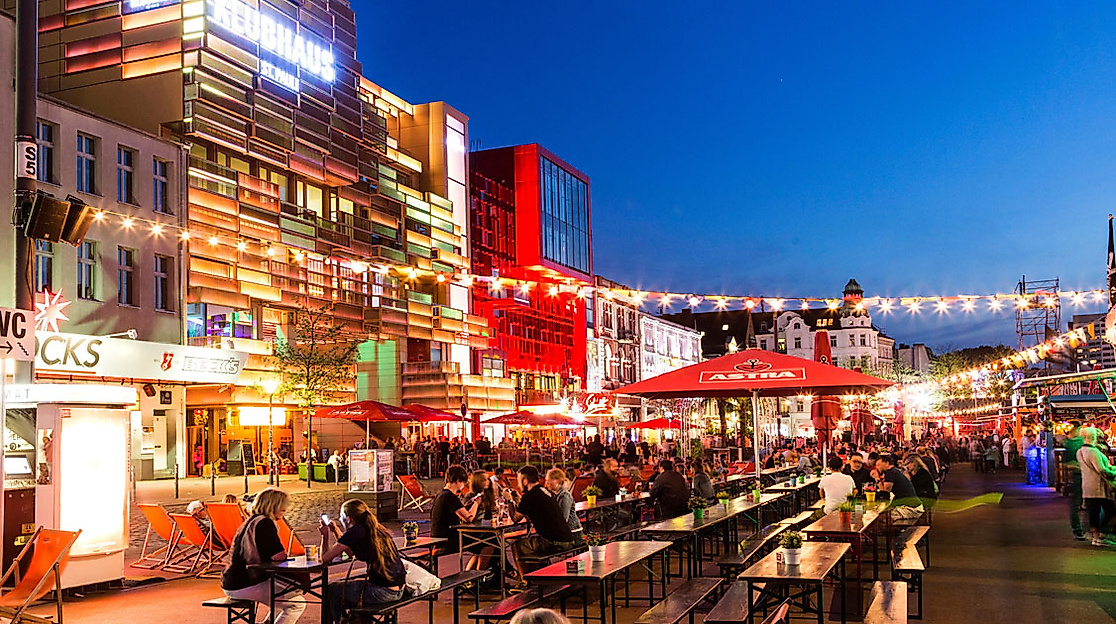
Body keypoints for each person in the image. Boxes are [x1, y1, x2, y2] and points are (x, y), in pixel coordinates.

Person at [222, 488, 305, 624]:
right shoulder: (265, 523)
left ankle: (267, 622)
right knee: (296, 603)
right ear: (273, 506)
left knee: (283, 595)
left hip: (232, 580)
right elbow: (278, 556)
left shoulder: (249, 522)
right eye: (282, 507)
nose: (284, 510)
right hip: (247, 583)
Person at [320, 499, 405, 623]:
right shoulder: (376, 528)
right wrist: (336, 530)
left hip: (382, 592)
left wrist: (325, 535)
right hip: (398, 589)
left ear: (348, 519)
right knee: (344, 591)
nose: (339, 519)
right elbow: (351, 552)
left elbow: (325, 558)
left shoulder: (355, 531)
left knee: (331, 589)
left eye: (341, 516)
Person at [508, 466, 577, 583]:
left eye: (519, 480)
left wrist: (509, 501)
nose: (519, 484)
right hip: (567, 538)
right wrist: (518, 500)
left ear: (525, 481)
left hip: (553, 541)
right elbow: (530, 510)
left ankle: (524, 581)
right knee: (532, 543)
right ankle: (537, 576)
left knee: (517, 545)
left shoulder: (529, 496)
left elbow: (515, 518)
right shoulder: (545, 491)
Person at [1077, 427, 1116, 547]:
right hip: (1098, 487)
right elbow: (1101, 470)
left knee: (1093, 512)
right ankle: (1101, 534)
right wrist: (1114, 472)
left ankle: (1096, 537)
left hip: (1087, 486)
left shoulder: (1080, 451)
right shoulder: (1093, 451)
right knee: (1110, 510)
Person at [430, 465, 482, 553]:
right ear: (458, 481)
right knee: (488, 540)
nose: (463, 486)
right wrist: (476, 503)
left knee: (485, 543)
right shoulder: (450, 496)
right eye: (463, 483)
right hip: (448, 539)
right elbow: (468, 518)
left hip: (437, 537)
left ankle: (480, 562)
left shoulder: (440, 495)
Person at [874, 454, 923, 520]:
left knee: (882, 517)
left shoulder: (890, 473)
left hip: (911, 509)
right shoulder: (894, 471)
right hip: (914, 506)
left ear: (887, 463)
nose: (877, 468)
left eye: (878, 465)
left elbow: (884, 493)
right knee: (883, 513)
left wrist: (877, 478)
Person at [1063, 421, 1086, 540]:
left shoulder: (1069, 443)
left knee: (1078, 504)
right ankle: (1080, 530)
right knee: (1077, 503)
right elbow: (1066, 463)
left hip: (1079, 475)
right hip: (1079, 476)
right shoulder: (1075, 443)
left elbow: (1066, 463)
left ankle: (1082, 530)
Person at [545, 468, 582, 533]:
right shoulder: (553, 494)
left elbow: (563, 519)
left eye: (550, 480)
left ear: (559, 480)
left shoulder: (564, 496)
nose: (547, 483)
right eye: (547, 480)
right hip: (563, 530)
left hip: (572, 531)